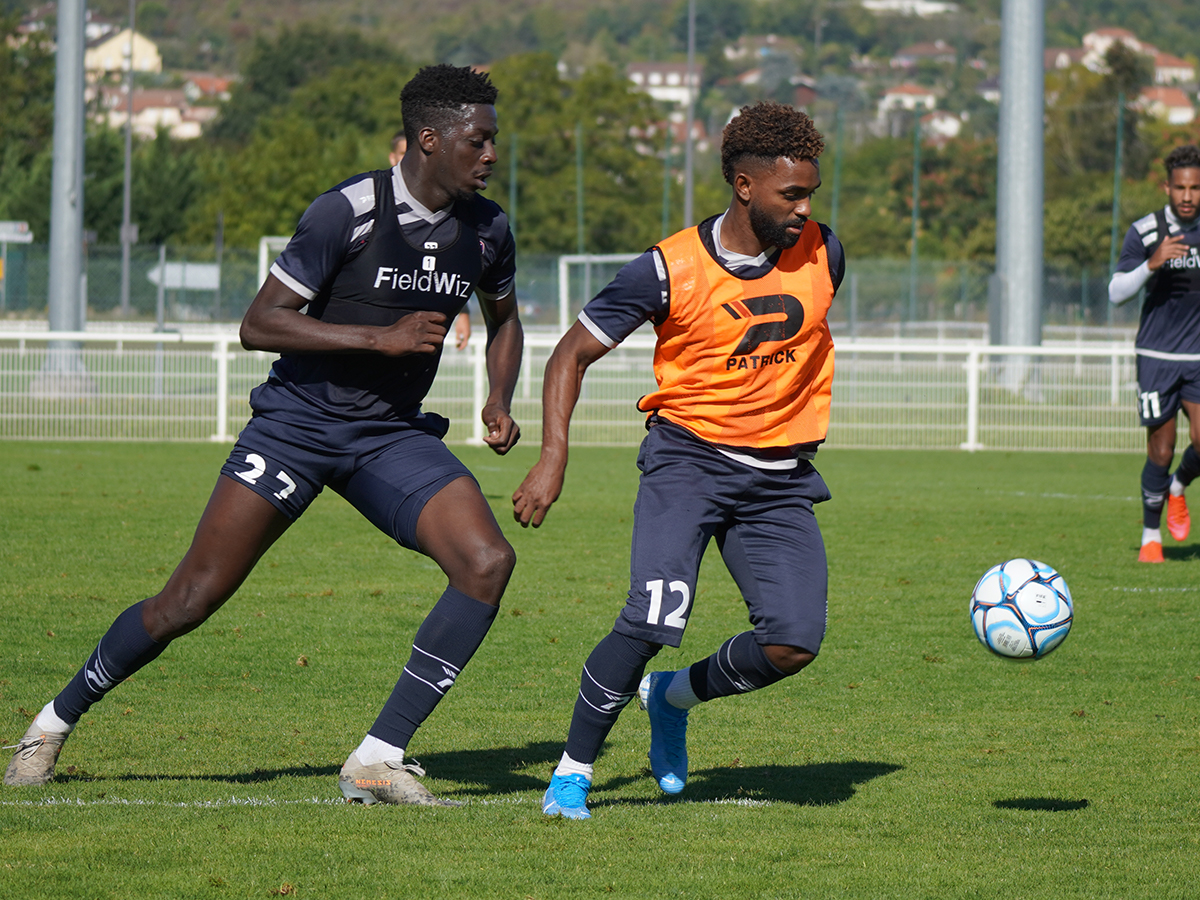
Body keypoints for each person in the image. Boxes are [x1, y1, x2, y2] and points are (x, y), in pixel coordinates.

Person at [4, 64, 523, 806]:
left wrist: (499, 397)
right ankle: (51, 723)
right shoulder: (347, 210)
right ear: (429, 139)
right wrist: (380, 341)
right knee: (188, 599)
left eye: (493, 141)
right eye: (479, 141)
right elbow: (259, 323)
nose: (491, 155)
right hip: (296, 428)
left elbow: (507, 322)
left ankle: (377, 758)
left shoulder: (488, 229)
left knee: (486, 561)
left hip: (388, 437)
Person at [513, 101, 844, 819]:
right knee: (653, 618)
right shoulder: (669, 270)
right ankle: (573, 771)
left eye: (812, 193)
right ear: (745, 185)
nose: (805, 209)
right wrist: (552, 458)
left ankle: (672, 697)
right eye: (793, 194)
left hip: (779, 480)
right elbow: (571, 353)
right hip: (689, 462)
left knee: (792, 642)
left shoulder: (824, 251)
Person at [1109, 144, 1200, 563]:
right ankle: (1151, 536)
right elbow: (1115, 294)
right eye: (1180, 187)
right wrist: (1151, 265)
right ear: (1167, 187)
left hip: (1198, 357)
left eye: (1195, 188)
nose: (1187, 196)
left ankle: (1179, 487)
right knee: (1160, 450)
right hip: (1156, 356)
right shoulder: (1146, 232)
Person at [391, 129, 474, 352]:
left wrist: (463, 313)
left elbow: (444, 270)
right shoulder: (375, 204)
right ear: (393, 157)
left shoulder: (441, 208)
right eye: (401, 153)